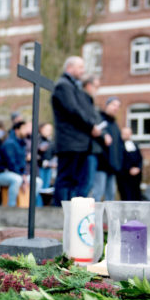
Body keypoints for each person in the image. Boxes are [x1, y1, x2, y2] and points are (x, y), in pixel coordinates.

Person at [50, 57, 102, 205]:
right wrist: (90, 126)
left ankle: (70, 213)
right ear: (70, 67)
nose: (82, 70)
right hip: (69, 142)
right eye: (80, 67)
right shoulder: (63, 86)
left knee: (74, 180)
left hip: (78, 142)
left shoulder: (73, 87)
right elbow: (73, 110)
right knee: (65, 178)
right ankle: (59, 211)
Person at [0, 120, 42, 207]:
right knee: (17, 180)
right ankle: (11, 206)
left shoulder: (21, 143)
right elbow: (11, 164)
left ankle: (29, 205)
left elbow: (22, 164)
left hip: (18, 173)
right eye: (23, 128)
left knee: (37, 181)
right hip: (3, 173)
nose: (26, 131)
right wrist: (23, 177)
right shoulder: (9, 143)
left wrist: (24, 175)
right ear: (17, 130)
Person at [92, 96, 123, 202]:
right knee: (98, 192)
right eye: (114, 105)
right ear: (107, 105)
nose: (116, 108)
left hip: (112, 166)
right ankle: (93, 216)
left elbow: (119, 146)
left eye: (118, 106)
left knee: (111, 194)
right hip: (101, 165)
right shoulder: (99, 119)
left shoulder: (115, 125)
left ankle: (109, 218)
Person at [81, 74, 104, 197]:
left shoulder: (91, 104)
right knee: (85, 184)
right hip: (86, 149)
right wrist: (92, 128)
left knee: (89, 184)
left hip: (92, 149)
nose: (97, 90)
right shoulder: (83, 102)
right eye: (96, 86)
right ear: (89, 86)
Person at [117, 127, 143, 201]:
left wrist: (138, 168)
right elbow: (121, 159)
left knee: (136, 195)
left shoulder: (135, 145)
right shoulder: (119, 146)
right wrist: (129, 169)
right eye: (125, 134)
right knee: (126, 195)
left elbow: (140, 158)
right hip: (124, 175)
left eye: (128, 133)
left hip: (136, 176)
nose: (126, 135)